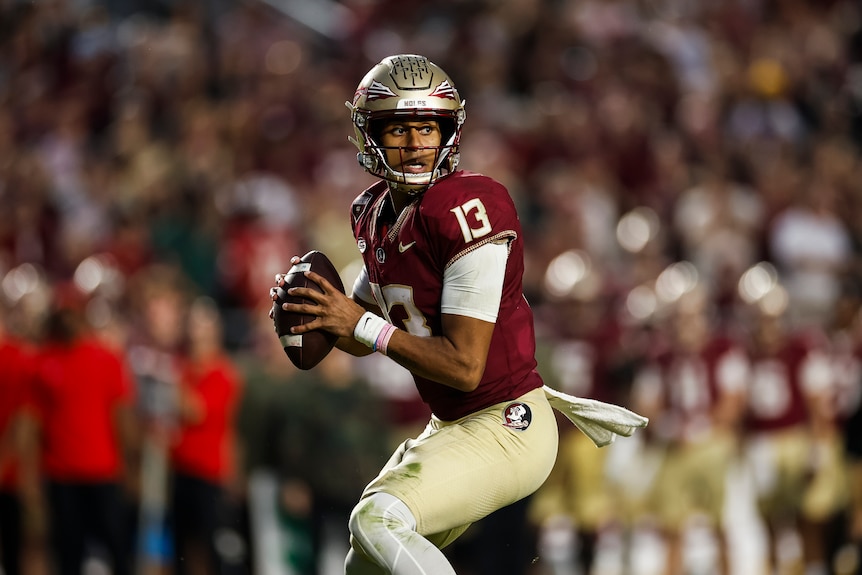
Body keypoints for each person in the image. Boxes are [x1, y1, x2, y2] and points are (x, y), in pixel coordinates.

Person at [270, 54, 648, 575]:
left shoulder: (468, 207)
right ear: (368, 135)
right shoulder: (375, 211)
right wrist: (321, 313)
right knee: (366, 564)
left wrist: (354, 322)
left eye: (426, 127)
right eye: (398, 129)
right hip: (452, 424)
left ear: (448, 129)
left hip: (507, 421)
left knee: (376, 519)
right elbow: (366, 324)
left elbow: (464, 365)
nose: (415, 144)